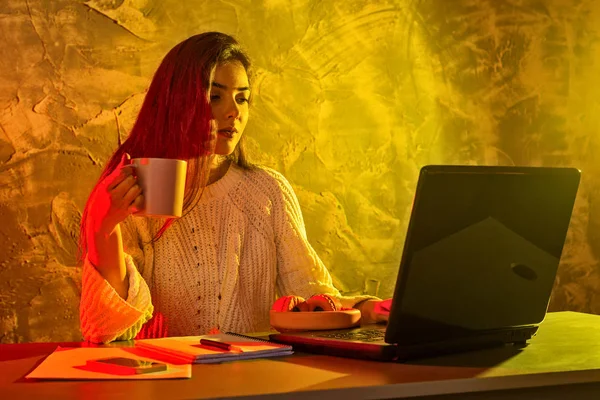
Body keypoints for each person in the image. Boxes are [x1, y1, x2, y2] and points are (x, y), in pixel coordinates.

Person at [79, 32, 389, 344]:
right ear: (176, 100)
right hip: (165, 381)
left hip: (253, 377)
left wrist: (370, 309)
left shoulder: (268, 191)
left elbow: (313, 298)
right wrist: (102, 226)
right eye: (216, 96)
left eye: (242, 98)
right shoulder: (134, 193)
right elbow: (107, 333)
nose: (234, 111)